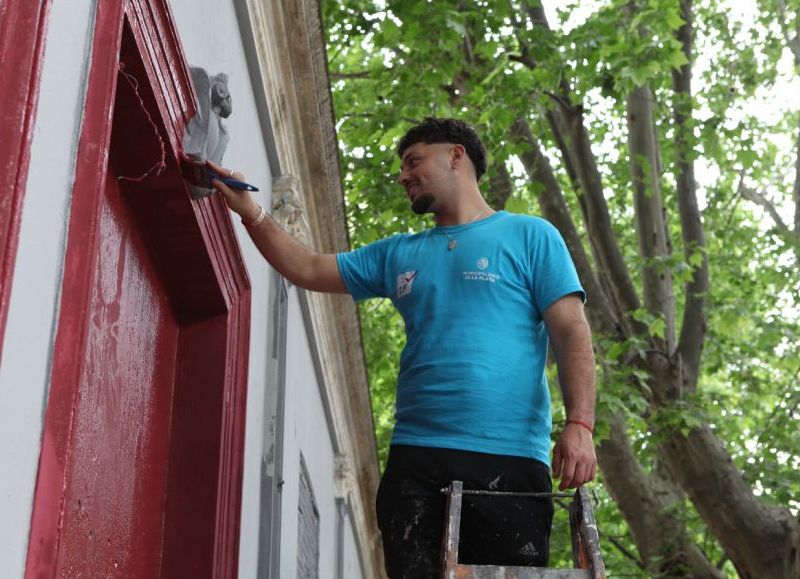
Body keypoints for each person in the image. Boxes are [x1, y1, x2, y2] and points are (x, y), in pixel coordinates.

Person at [211, 117, 597, 578]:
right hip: (417, 460)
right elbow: (310, 268)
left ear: (457, 155)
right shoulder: (398, 254)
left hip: (510, 458)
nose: (403, 176)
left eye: (414, 161)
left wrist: (579, 424)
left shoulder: (532, 237)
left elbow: (571, 330)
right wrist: (249, 211)